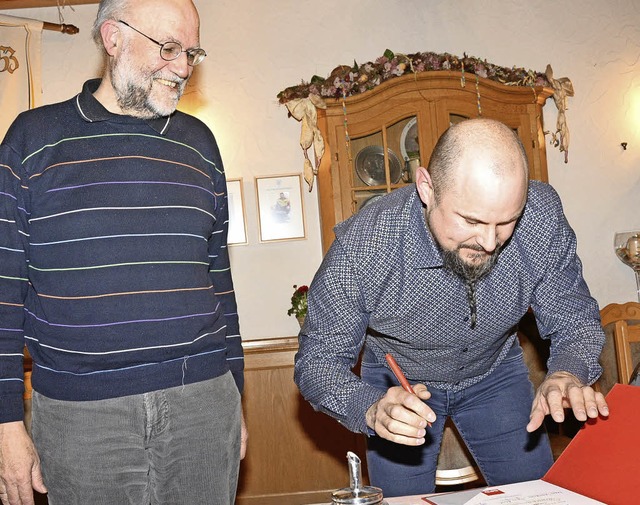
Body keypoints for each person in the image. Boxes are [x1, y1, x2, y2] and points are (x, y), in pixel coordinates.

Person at [0, 1, 247, 504]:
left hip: (203, 401)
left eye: (191, 52)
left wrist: (237, 399)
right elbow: (3, 295)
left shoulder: (200, 144)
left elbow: (220, 283)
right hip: (80, 417)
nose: (182, 67)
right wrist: (6, 424)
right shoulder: (32, 140)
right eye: (169, 48)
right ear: (113, 38)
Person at [294, 118, 609, 496]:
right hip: (398, 382)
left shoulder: (541, 216)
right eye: (471, 220)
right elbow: (317, 362)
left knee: (536, 495)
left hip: (495, 374)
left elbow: (575, 319)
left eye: (507, 221)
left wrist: (567, 373)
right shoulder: (365, 246)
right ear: (426, 187)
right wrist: (371, 407)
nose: (490, 242)